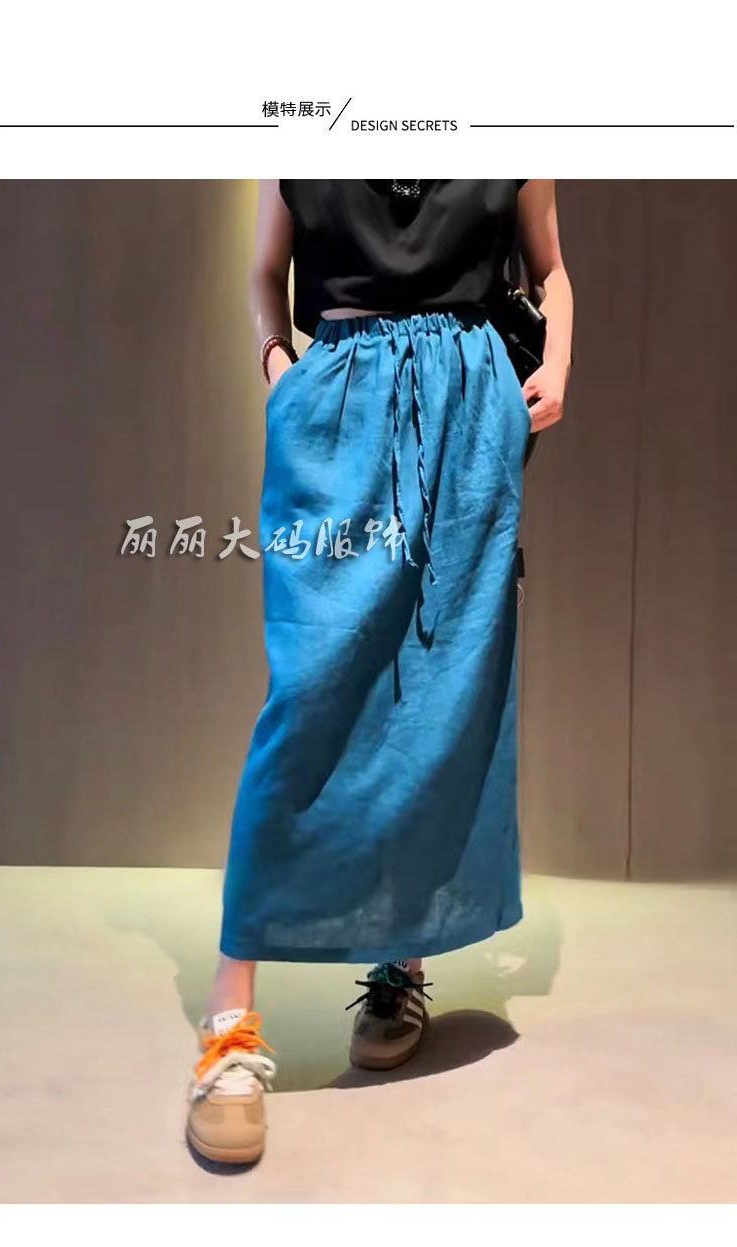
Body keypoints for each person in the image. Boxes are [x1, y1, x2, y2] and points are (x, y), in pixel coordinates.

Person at [186, 179, 573, 1164]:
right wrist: (279, 366)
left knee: (438, 692)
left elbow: (552, 272)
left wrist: (558, 360)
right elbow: (265, 273)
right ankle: (230, 1022)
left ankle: (400, 962)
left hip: (471, 412)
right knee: (310, 692)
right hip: (340, 403)